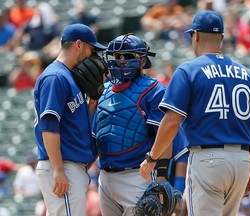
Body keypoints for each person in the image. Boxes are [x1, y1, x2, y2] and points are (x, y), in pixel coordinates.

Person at [139, 10, 250, 216]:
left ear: (196, 35)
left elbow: (172, 121)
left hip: (208, 160)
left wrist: (152, 157)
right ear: (222, 38)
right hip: (242, 160)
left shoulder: (188, 70)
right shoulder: (248, 74)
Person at [92, 33, 188, 215]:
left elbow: (165, 134)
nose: (120, 61)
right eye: (116, 56)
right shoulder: (102, 90)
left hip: (138, 175)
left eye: (127, 56)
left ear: (142, 60)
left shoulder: (154, 89)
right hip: (104, 176)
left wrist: (161, 176)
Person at [33, 23, 107, 215]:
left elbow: (73, 124)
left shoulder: (72, 78)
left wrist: (92, 105)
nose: (93, 55)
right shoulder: (55, 77)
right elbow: (48, 126)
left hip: (71, 165)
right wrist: (58, 170)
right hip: (62, 165)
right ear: (79, 44)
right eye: (92, 49)